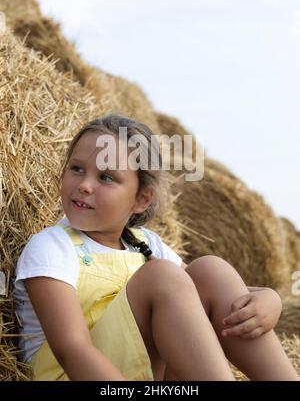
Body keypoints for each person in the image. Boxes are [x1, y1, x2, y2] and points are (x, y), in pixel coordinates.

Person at [13, 114, 299, 381]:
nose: (85, 185)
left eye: (106, 177)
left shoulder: (146, 244)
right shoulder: (51, 246)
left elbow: (209, 295)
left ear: (141, 199)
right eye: (77, 169)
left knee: (212, 270)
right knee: (161, 276)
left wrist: (270, 299)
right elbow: (72, 350)